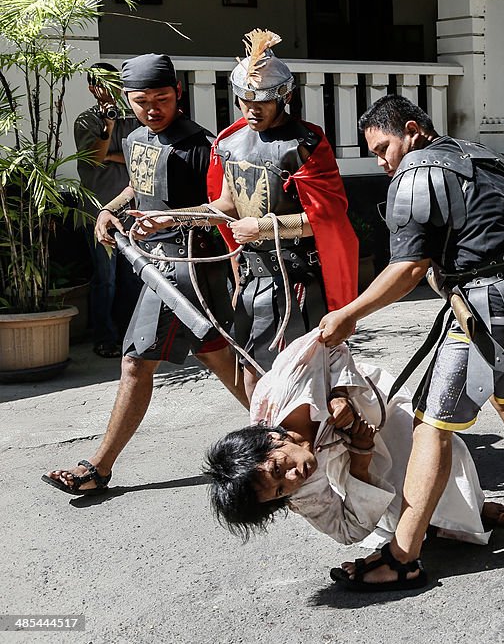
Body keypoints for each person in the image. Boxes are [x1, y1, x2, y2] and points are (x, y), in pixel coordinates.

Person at [318, 94, 504, 591]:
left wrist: (349, 314)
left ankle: (403, 556)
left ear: (412, 130)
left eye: (383, 147)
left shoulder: (416, 172)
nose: (382, 161)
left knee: (430, 426)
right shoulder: (480, 156)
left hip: (485, 309)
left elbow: (408, 268)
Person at [42, 54, 247, 495]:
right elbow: (139, 184)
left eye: (162, 98)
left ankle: (98, 467)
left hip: (188, 269)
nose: (152, 108)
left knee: (135, 361)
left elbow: (225, 209)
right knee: (221, 359)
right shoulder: (134, 139)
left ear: (178, 94)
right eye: (141, 100)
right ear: (127, 100)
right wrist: (108, 210)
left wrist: (173, 221)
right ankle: (299, 435)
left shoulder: (201, 145)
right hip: (153, 265)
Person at [132, 29, 359, 395]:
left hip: (299, 277)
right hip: (255, 277)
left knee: (309, 381)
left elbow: (327, 218)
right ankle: (276, 449)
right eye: (245, 101)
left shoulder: (306, 144)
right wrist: (172, 217)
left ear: (284, 97)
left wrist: (265, 227)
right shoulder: (229, 141)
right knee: (253, 376)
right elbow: (224, 206)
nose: (252, 110)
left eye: (263, 102)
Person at [204, 329, 504, 557]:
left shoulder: (284, 384)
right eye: (281, 490)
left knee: (443, 452)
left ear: (272, 440)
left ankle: (472, 508)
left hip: (375, 407)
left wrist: (340, 393)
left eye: (278, 470)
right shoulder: (300, 493)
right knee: (394, 488)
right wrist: (361, 464)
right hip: (351, 457)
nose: (295, 478)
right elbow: (347, 530)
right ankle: (423, 523)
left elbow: (331, 343)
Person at [74, 62, 143, 358]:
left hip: (128, 209)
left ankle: (130, 334)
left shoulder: (133, 119)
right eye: (102, 84)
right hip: (96, 209)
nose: (109, 89)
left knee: (131, 276)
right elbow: (93, 158)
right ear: (93, 88)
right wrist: (109, 127)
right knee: (106, 278)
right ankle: (104, 338)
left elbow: (137, 159)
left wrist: (113, 156)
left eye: (113, 83)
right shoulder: (85, 120)